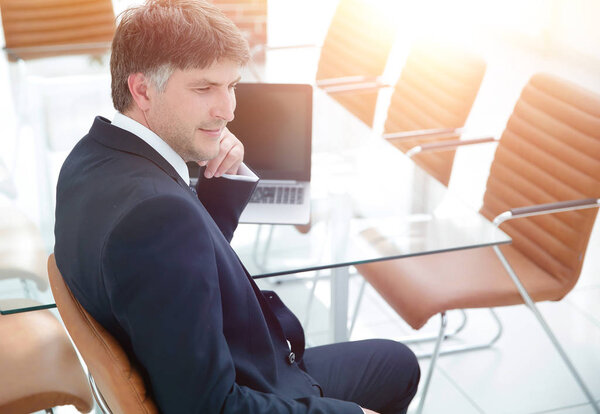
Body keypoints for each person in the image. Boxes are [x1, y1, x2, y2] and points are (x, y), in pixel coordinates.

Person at [53, 1, 420, 413]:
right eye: (204, 88)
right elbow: (211, 407)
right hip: (253, 385)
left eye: (231, 86)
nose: (228, 110)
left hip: (220, 359)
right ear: (142, 90)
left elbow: (177, 268)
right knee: (397, 368)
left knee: (396, 362)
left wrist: (220, 181)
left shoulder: (89, 159)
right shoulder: (156, 218)